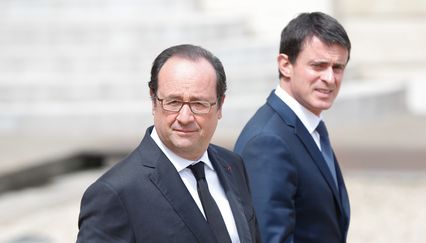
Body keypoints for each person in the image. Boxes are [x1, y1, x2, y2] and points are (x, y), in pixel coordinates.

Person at [77, 44, 260, 243]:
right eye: (173, 102)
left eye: (199, 104)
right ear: (154, 101)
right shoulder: (115, 193)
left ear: (220, 105)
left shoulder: (232, 165)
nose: (185, 117)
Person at [234, 12, 351, 243]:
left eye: (338, 67)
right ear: (285, 65)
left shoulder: (307, 126)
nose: (330, 78)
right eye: (318, 66)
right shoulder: (267, 142)